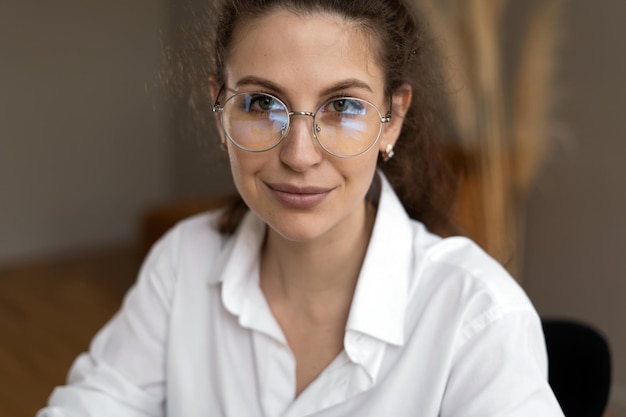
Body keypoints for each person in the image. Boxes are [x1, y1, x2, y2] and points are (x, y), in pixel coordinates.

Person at [38, 0, 565, 416]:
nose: (298, 155)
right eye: (262, 104)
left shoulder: (477, 318)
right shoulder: (182, 265)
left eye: (343, 107)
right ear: (220, 111)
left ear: (392, 120)